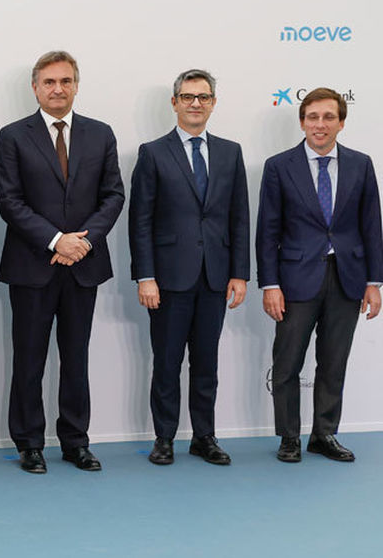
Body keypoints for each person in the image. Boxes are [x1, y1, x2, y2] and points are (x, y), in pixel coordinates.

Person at [0, 50, 124, 474]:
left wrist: (82, 243)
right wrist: (55, 240)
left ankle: (75, 441)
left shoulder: (100, 134)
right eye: (49, 82)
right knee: (28, 358)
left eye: (65, 81)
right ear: (35, 87)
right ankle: (29, 443)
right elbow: (10, 201)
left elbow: (113, 196)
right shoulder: (14, 135)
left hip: (83, 265)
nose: (57, 89)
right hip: (34, 263)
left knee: (76, 357)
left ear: (76, 85)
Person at [128, 69, 248, 467]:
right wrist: (145, 276)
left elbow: (239, 217)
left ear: (213, 102)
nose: (195, 103)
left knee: (207, 362)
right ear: (175, 102)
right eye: (187, 96)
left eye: (203, 96)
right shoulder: (153, 152)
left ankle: (204, 437)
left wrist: (239, 273)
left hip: (215, 276)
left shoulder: (231, 152)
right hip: (168, 278)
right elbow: (140, 220)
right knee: (166, 362)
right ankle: (163, 438)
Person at [257, 87, 382, 463]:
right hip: (295, 279)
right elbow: (268, 231)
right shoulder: (279, 166)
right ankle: (289, 437)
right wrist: (270, 284)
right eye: (313, 117)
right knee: (288, 362)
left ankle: (324, 434)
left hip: (347, 277)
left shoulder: (361, 164)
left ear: (341, 122)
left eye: (329, 117)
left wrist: (374, 282)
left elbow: (372, 227)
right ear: (302, 122)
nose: (320, 125)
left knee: (333, 361)